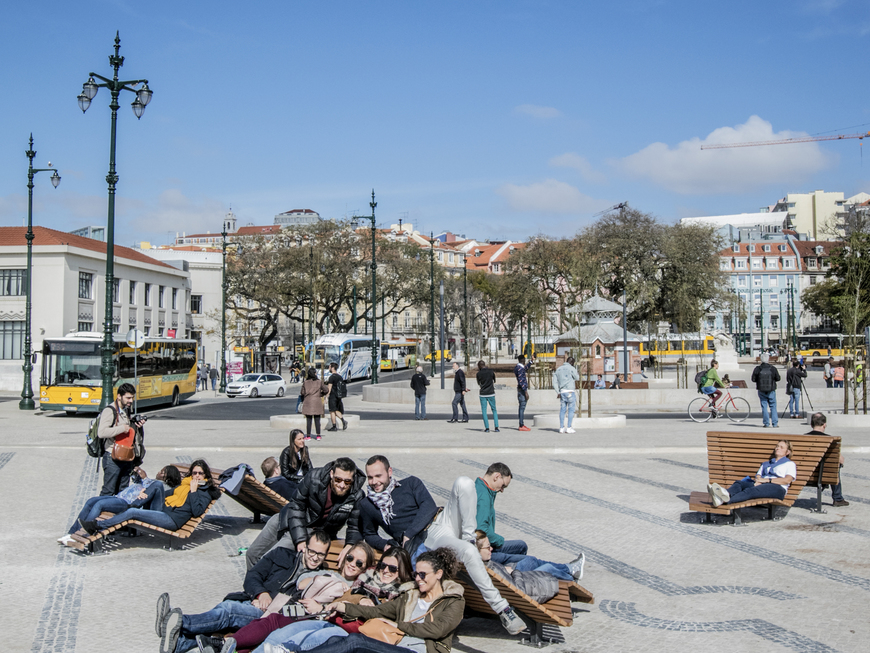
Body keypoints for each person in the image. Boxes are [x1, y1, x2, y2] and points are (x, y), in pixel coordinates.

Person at [359, 455, 524, 636]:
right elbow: (369, 533)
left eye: (378, 476)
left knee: (464, 482)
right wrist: (386, 544)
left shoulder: (411, 483)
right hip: (430, 540)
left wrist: (408, 533)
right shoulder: (368, 505)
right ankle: (503, 610)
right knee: (469, 552)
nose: (374, 482)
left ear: (389, 472)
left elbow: (428, 507)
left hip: (442, 520)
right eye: (370, 477)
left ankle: (469, 537)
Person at [156, 531, 332, 653]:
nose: (315, 558)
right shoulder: (281, 554)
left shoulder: (319, 579)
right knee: (223, 614)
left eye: (321, 555)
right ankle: (178, 643)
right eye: (312, 551)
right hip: (251, 600)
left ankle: (177, 622)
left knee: (228, 610)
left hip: (267, 616)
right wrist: (260, 593)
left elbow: (301, 608)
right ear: (304, 548)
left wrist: (272, 605)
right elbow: (253, 575)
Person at [202, 542, 377, 653]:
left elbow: (362, 604)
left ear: (365, 568)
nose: (352, 564)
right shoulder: (329, 572)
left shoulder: (358, 587)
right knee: (268, 621)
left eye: (359, 563)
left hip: (317, 618)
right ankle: (225, 645)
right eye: (350, 558)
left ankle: (224, 644)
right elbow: (301, 582)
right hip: (299, 608)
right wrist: (326, 581)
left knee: (272, 624)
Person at [239, 548, 416, 653]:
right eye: (383, 566)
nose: (385, 571)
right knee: (278, 637)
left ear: (403, 571)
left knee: (297, 643)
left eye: (393, 568)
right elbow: (344, 596)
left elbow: (396, 622)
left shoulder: (405, 595)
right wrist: (360, 598)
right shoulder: (365, 579)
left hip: (353, 633)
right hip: (332, 619)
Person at [305, 547, 467, 653]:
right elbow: (376, 611)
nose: (418, 579)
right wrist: (344, 607)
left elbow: (437, 629)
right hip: (396, 646)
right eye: (416, 574)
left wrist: (399, 625)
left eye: (423, 574)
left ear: (438, 574)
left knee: (356, 641)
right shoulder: (410, 595)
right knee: (337, 640)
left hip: (420, 650)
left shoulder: (453, 601)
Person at [246, 458, 367, 571]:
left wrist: (349, 545)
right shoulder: (314, 477)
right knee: (252, 554)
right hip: (287, 518)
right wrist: (300, 539)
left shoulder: (356, 495)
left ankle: (262, 590)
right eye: (338, 479)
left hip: (312, 531)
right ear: (331, 474)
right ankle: (251, 590)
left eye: (347, 482)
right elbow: (296, 504)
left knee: (270, 560)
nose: (342, 485)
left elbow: (355, 526)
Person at [80, 459, 221, 535]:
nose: (196, 476)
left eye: (200, 473)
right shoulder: (184, 485)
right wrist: (145, 494)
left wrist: (194, 491)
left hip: (172, 520)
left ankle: (98, 526)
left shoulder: (206, 492)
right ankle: (133, 504)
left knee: (132, 513)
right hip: (163, 511)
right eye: (194, 473)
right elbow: (164, 494)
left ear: (206, 475)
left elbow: (197, 511)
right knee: (157, 485)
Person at [58, 465, 182, 545]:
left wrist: (144, 486)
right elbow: (142, 486)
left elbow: (154, 497)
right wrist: (139, 477)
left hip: (127, 503)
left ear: (167, 477)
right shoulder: (153, 483)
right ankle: (71, 533)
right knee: (91, 501)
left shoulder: (162, 487)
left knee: (100, 504)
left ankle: (88, 532)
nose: (159, 472)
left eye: (162, 472)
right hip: (119, 497)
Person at [475, 530, 584, 587]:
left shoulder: (476, 564)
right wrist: (512, 572)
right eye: (488, 547)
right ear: (478, 551)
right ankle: (571, 580)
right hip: (520, 582)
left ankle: (570, 570)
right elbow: (511, 584)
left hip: (513, 577)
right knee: (548, 568)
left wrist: (505, 570)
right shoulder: (483, 568)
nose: (492, 549)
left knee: (530, 560)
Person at [707, 440, 796, 507]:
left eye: (781, 447)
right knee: (739, 483)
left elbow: (787, 480)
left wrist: (767, 480)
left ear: (787, 452)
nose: (777, 448)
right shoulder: (766, 463)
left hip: (778, 488)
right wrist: (758, 480)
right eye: (777, 446)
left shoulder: (789, 464)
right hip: (762, 485)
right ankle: (725, 495)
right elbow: (758, 475)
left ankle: (724, 501)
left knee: (751, 491)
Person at [97, 382, 146, 496]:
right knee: (108, 491)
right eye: (128, 398)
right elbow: (102, 432)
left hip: (126, 456)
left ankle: (119, 512)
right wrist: (122, 428)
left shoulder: (126, 409)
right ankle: (100, 512)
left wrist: (137, 425)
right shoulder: (110, 410)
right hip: (112, 456)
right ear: (119, 396)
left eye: (132, 398)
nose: (131, 401)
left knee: (123, 490)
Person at [474, 463, 528, 563]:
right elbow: (481, 530)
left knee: (520, 545)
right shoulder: (483, 497)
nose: (502, 490)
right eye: (503, 485)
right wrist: (500, 540)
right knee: (522, 549)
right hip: (483, 549)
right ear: (496, 476)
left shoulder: (481, 488)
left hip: (483, 546)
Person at [807, 413, 849, 507]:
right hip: (825, 475)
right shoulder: (830, 440)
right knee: (835, 465)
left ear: (811, 424)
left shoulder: (802, 439)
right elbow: (841, 460)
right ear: (824, 424)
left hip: (806, 474)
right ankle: (837, 498)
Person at [751, 352, 781, 428]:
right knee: (773, 406)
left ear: (761, 359)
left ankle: (766, 423)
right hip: (771, 389)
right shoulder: (773, 368)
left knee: (764, 406)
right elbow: (778, 378)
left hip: (761, 390)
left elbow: (753, 379)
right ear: (768, 359)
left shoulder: (757, 369)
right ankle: (775, 423)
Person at [553, 357, 580, 434]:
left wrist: (558, 392)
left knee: (562, 410)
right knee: (571, 410)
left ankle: (561, 427)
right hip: (570, 391)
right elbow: (577, 377)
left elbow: (554, 382)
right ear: (572, 363)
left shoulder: (558, 369)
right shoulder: (571, 368)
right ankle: (569, 427)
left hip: (562, 392)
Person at [301, 367, 329, 440]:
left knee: (309, 420)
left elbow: (302, 392)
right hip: (317, 402)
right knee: (317, 419)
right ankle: (318, 435)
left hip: (308, 402)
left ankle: (308, 436)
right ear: (315, 373)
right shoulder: (319, 382)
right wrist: (321, 394)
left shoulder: (305, 382)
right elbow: (326, 390)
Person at [475, 360, 499, 433]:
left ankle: (487, 428)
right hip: (491, 393)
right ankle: (496, 427)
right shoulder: (491, 372)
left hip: (483, 394)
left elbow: (479, 383)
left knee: (484, 411)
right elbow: (494, 380)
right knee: (494, 410)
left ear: (479, 366)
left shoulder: (478, 374)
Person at [325, 363, 348, 432]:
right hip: (338, 396)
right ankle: (343, 421)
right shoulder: (340, 377)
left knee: (332, 410)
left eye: (329, 367)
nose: (328, 368)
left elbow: (329, 388)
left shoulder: (332, 377)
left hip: (333, 396)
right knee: (336, 410)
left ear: (332, 368)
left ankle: (335, 426)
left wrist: (326, 396)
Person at [514, 354, 532, 432]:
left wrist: (531, 361)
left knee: (521, 407)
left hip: (520, 390)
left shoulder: (519, 368)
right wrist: (525, 392)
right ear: (523, 360)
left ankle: (521, 424)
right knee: (522, 407)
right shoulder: (520, 369)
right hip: (522, 390)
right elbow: (521, 381)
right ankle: (521, 424)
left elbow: (526, 368)